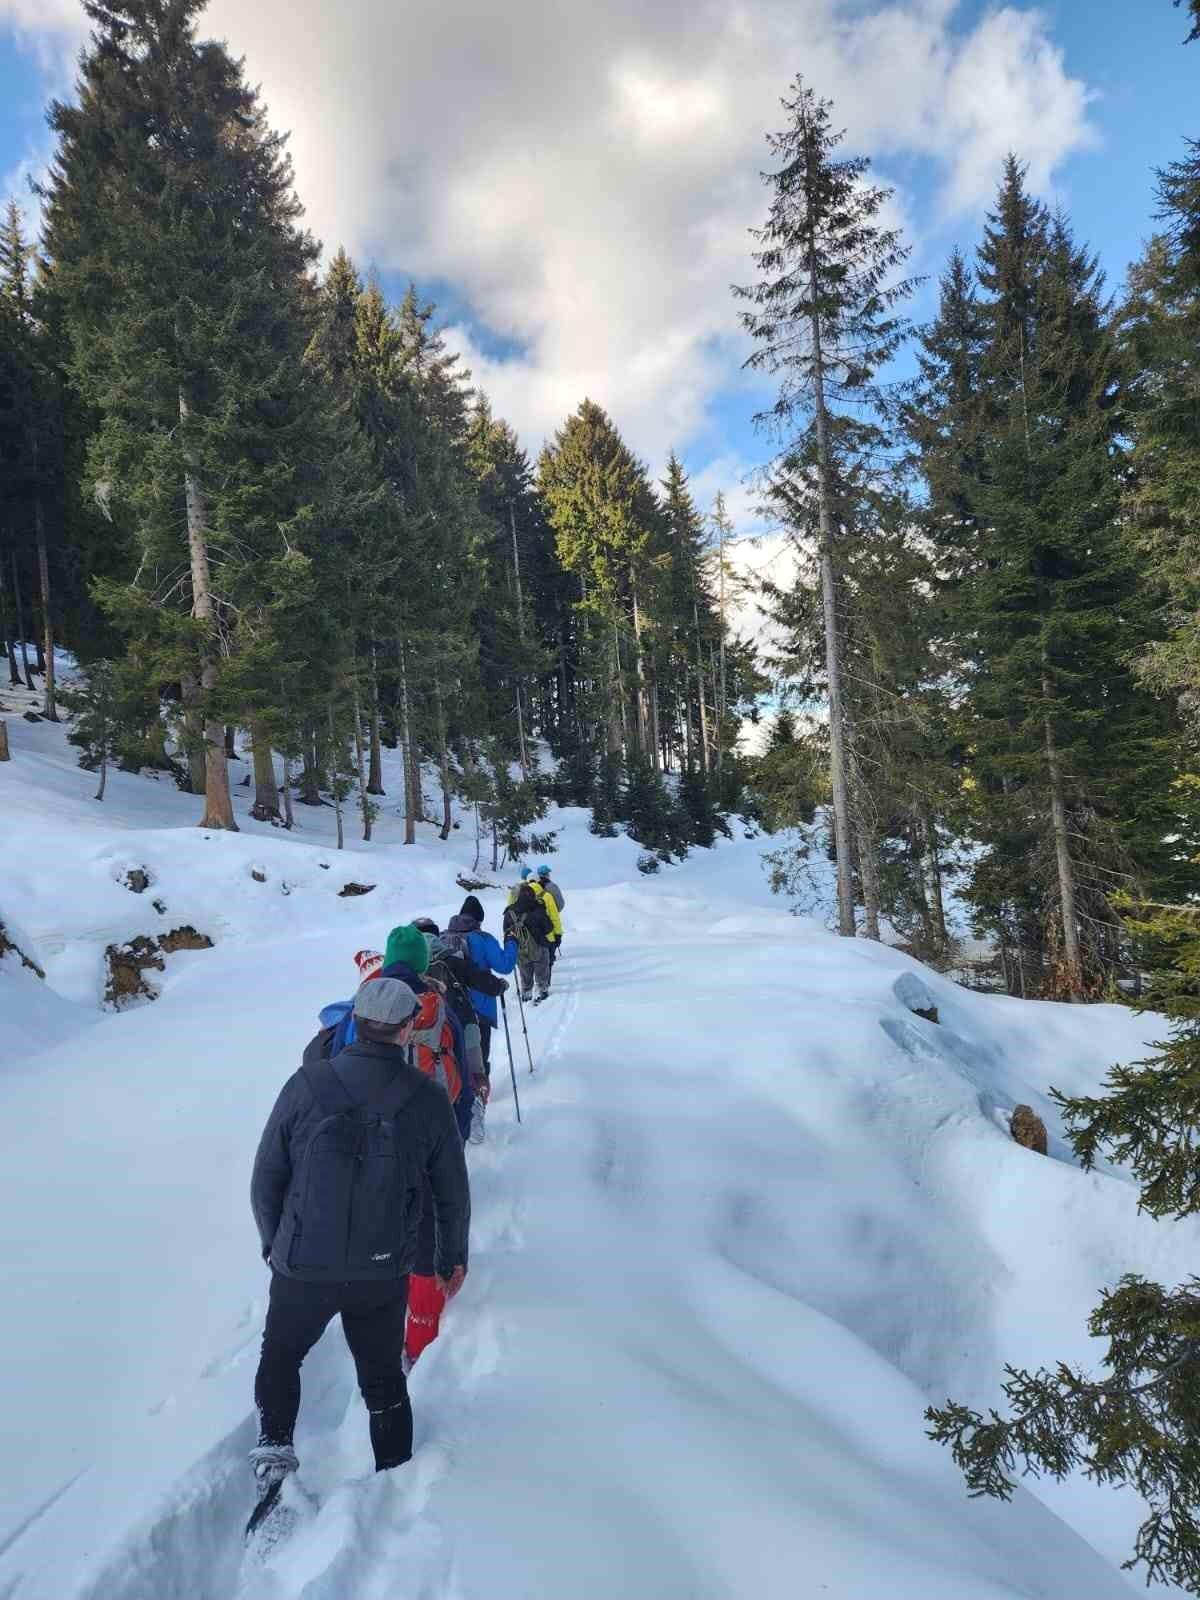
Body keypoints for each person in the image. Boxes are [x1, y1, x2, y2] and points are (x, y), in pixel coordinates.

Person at [248, 976, 469, 1518]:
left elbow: (266, 1176)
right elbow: (452, 1193)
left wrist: (274, 1242)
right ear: (408, 1026)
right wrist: (449, 1259)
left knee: (281, 1354)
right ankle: (392, 1477)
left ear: (356, 1018)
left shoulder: (307, 1084)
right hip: (382, 1269)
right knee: (383, 1376)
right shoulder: (427, 1098)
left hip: (302, 1264)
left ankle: (275, 1454)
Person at [442, 894, 518, 1077]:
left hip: (447, 1007)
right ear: (479, 920)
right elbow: (505, 965)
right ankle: (478, 1095)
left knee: (452, 1056)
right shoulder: (483, 939)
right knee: (478, 1060)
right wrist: (512, 942)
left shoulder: (442, 936)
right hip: (479, 1010)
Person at [505, 879, 555, 1004]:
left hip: (519, 949)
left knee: (524, 972)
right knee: (541, 969)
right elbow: (549, 927)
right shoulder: (538, 910)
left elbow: (506, 932)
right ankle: (542, 990)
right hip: (539, 947)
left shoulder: (509, 912)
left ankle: (526, 993)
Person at [536, 865, 565, 965]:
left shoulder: (533, 887)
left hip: (535, 922)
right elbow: (561, 904)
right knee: (551, 942)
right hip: (551, 921)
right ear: (547, 875)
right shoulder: (552, 887)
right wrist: (554, 911)